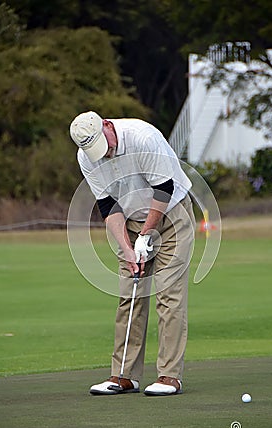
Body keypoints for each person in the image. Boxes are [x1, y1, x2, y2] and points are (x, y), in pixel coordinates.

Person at [69, 111, 195, 396]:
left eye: (106, 145)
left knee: (169, 295)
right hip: (130, 219)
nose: (106, 153)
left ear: (107, 126)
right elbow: (107, 206)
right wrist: (128, 248)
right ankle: (124, 376)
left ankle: (169, 376)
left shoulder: (143, 137)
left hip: (172, 214)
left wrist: (146, 234)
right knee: (130, 295)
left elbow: (164, 189)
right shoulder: (86, 158)